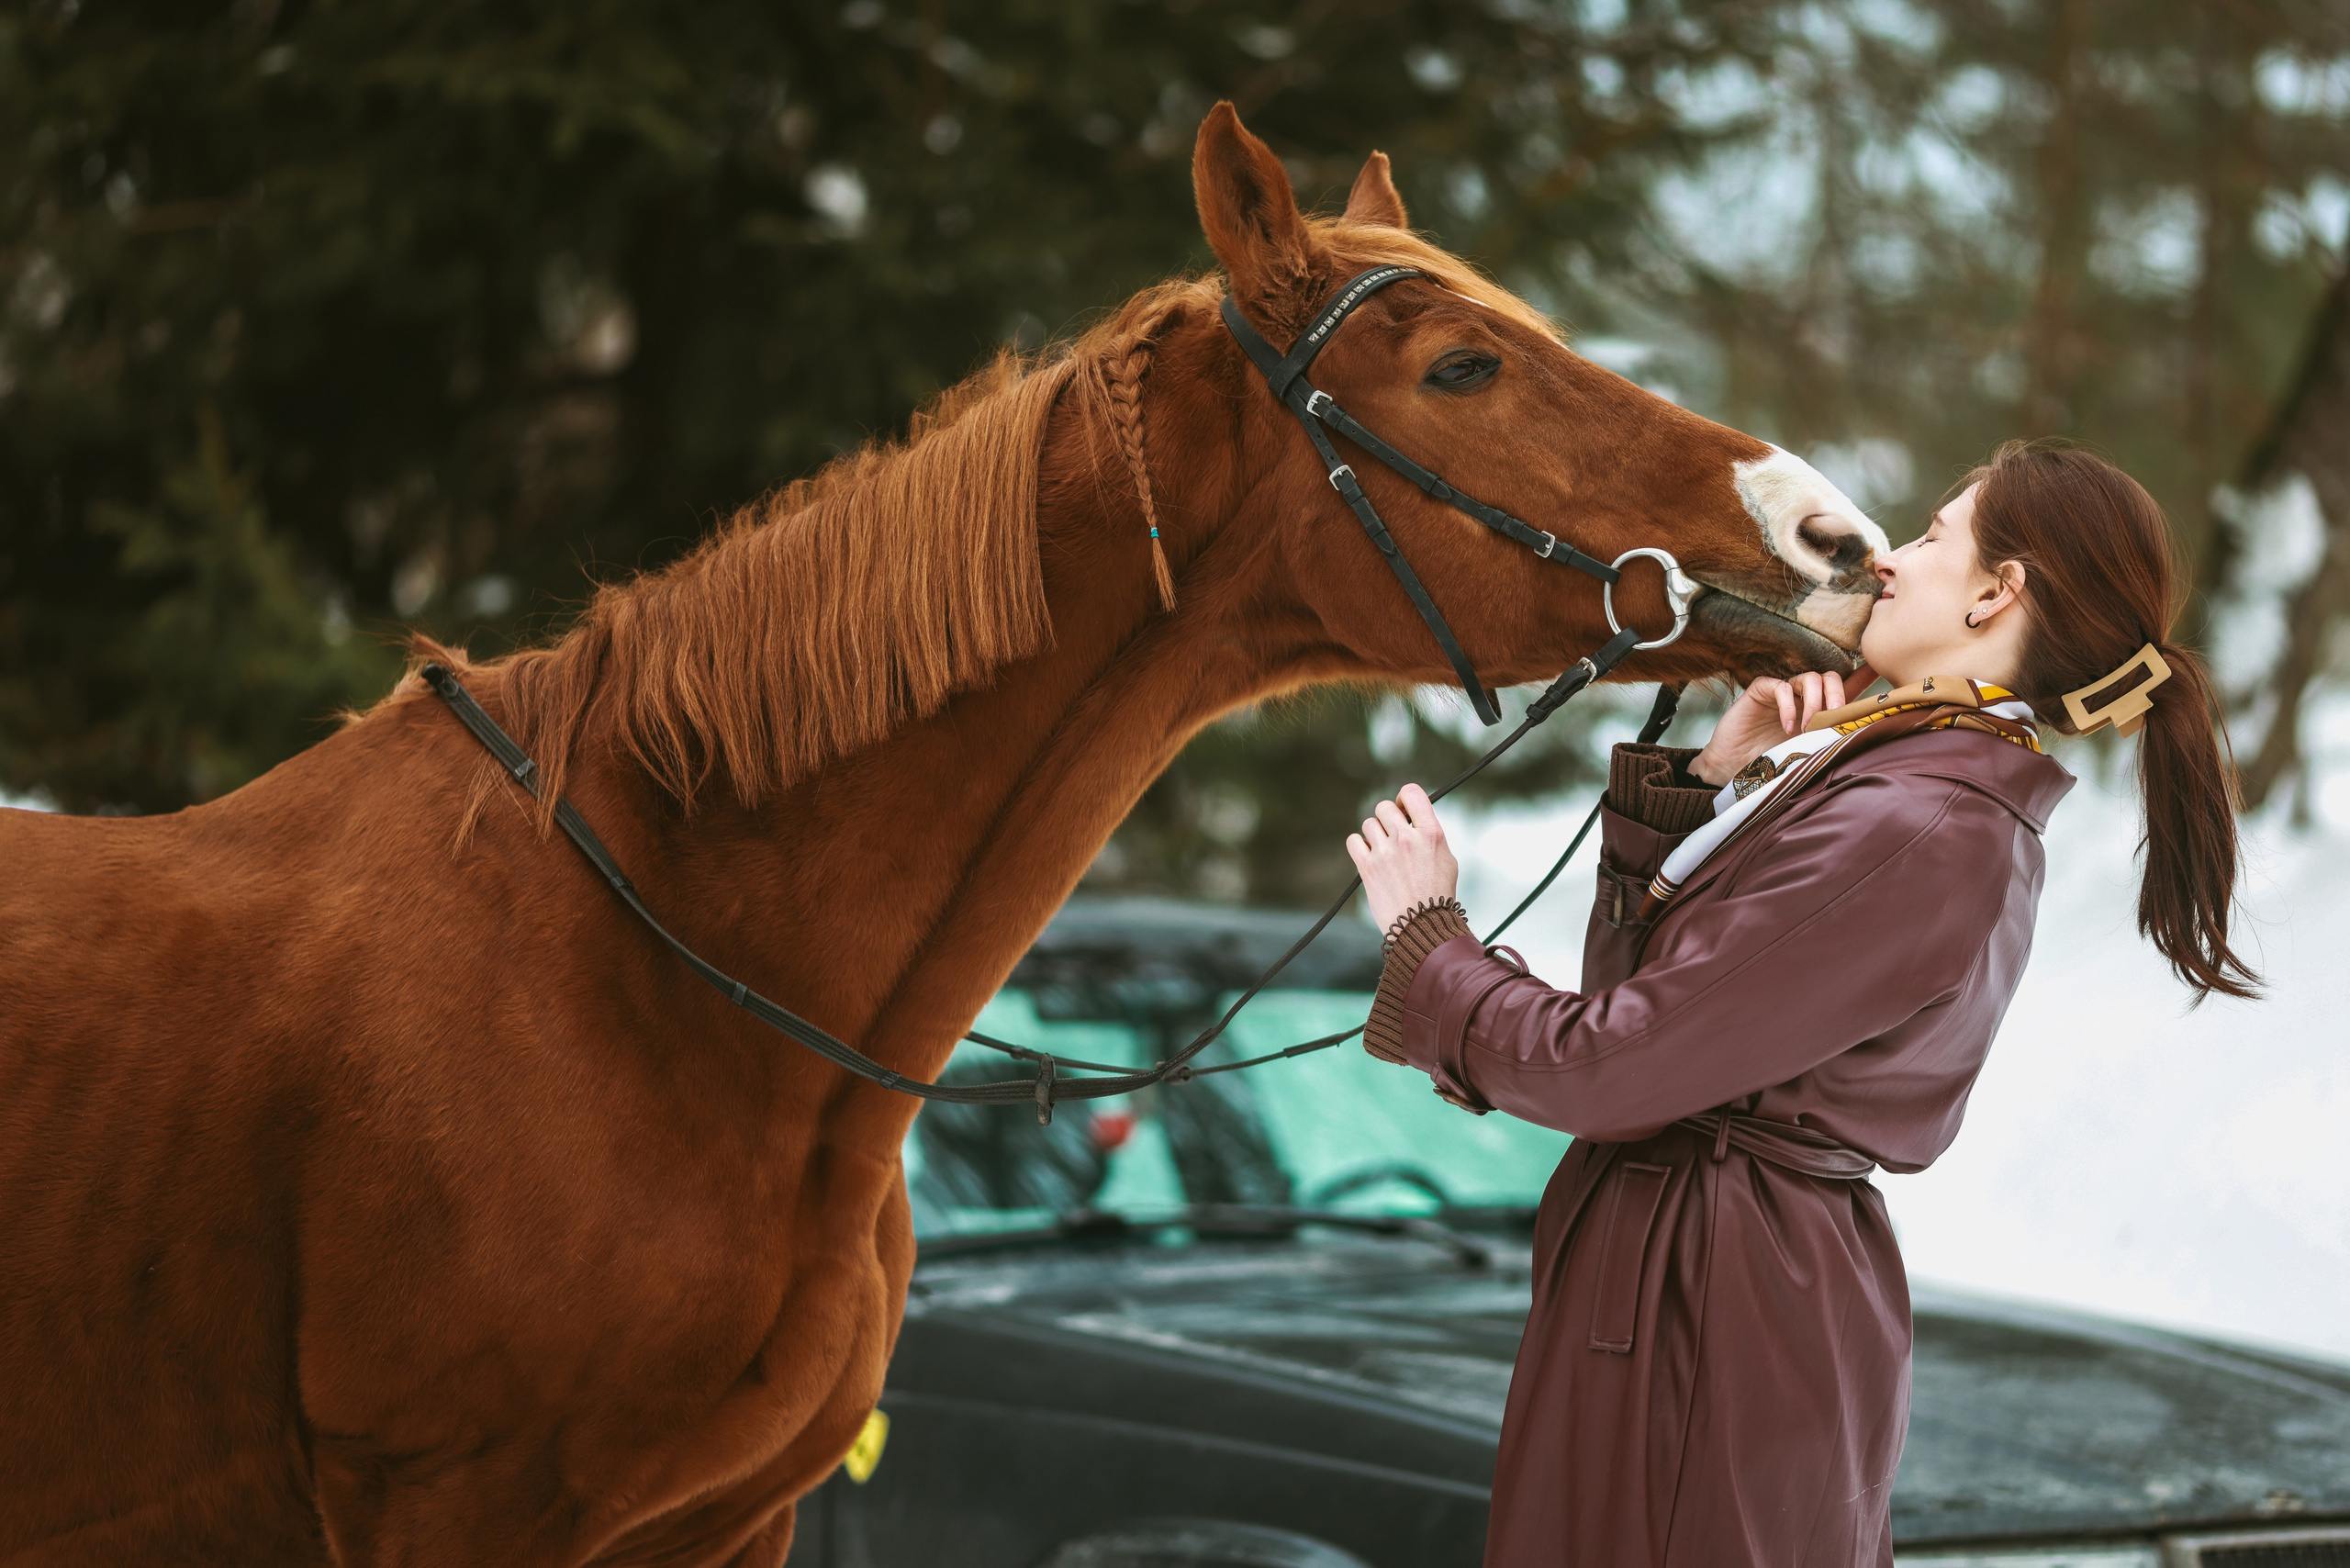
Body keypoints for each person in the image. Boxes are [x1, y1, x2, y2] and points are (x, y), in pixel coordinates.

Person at [1343, 440, 2256, 1568]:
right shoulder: (1896, 783)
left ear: (1995, 592)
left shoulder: (1920, 823)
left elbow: (1606, 1069)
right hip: (1705, 1266)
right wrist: (1703, 797)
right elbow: (1648, 1024)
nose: (1888, 560)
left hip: (1710, 1293)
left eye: (1930, 536)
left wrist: (1429, 938)